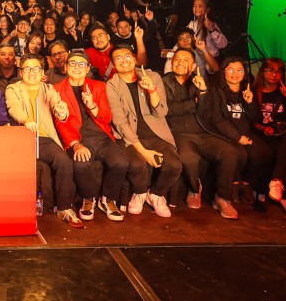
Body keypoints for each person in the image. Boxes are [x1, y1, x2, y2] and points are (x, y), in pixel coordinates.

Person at [162, 48, 243, 219]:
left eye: (186, 60)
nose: (180, 63)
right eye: (177, 59)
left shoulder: (200, 81)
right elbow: (168, 109)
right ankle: (194, 190)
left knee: (230, 152)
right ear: (171, 63)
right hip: (178, 133)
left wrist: (203, 93)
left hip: (203, 132)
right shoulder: (163, 82)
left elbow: (206, 113)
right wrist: (194, 103)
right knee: (189, 158)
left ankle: (223, 198)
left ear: (193, 66)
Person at [4, 55, 83, 228]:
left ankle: (64, 208)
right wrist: (26, 120)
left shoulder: (49, 89)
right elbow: (13, 106)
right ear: (21, 72)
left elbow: (59, 109)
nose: (32, 72)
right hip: (22, 136)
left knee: (64, 161)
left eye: (36, 69)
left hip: (44, 138)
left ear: (42, 73)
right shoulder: (13, 88)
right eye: (27, 69)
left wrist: (61, 111)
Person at [105, 45, 183, 218]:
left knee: (174, 165)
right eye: (118, 58)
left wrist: (151, 90)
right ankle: (139, 192)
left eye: (127, 56)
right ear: (113, 64)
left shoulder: (153, 77)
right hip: (129, 135)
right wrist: (144, 152)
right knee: (137, 164)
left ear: (134, 59)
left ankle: (155, 194)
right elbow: (119, 122)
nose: (124, 61)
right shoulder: (112, 85)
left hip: (155, 133)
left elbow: (161, 112)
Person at [52, 51, 129, 223]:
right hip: (78, 138)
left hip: (101, 136)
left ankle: (108, 199)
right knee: (81, 164)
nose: (77, 68)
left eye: (82, 64)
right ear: (66, 67)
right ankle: (89, 198)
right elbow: (60, 122)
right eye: (73, 64)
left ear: (87, 68)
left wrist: (92, 106)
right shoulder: (56, 89)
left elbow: (107, 118)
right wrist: (75, 145)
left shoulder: (99, 86)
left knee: (121, 162)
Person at [200, 56, 273, 212]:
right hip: (224, 134)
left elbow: (256, 118)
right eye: (230, 70)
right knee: (239, 154)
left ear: (244, 73)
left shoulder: (248, 89)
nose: (235, 74)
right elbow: (217, 119)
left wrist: (250, 102)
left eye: (239, 70)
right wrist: (237, 138)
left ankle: (244, 184)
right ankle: (230, 188)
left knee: (263, 154)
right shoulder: (216, 91)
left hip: (245, 132)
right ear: (224, 71)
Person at [251, 58, 286, 216]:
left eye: (278, 71)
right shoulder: (254, 92)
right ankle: (283, 192)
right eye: (270, 70)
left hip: (282, 137)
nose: (274, 74)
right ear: (263, 72)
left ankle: (279, 185)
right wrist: (263, 128)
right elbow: (249, 120)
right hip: (261, 136)